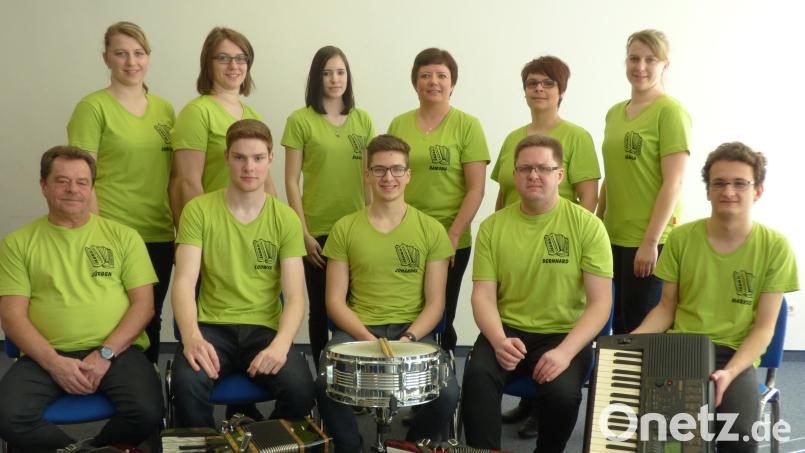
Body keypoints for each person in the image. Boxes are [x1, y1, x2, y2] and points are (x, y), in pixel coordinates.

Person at [633, 142, 798, 453]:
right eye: (719, 183)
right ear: (708, 191)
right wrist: (629, 343)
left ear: (758, 191)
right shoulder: (681, 238)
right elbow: (666, 308)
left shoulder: (775, 247)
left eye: (740, 183)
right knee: (664, 433)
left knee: (740, 433)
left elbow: (764, 329)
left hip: (734, 356)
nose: (729, 191)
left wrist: (729, 373)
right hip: (682, 349)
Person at [0, 147, 163, 451]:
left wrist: (104, 355)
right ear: (43, 186)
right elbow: (11, 316)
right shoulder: (17, 244)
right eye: (62, 181)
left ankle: (91, 448)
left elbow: (144, 306)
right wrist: (53, 363)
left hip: (116, 352)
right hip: (45, 353)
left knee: (147, 411)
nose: (73, 190)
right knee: (8, 415)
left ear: (91, 187)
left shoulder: (124, 237)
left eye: (82, 182)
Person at [462, 135, 612, 453]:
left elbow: (601, 304)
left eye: (544, 168)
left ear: (560, 174)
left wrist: (566, 352)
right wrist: (499, 339)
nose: (533, 175)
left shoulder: (588, 227)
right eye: (525, 168)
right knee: (477, 377)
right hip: (507, 330)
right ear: (514, 175)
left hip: (564, 334)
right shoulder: (492, 227)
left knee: (562, 394)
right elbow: (483, 296)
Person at [315, 134, 459, 453]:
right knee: (324, 382)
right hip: (357, 332)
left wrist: (407, 339)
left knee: (448, 393)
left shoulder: (431, 229)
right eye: (379, 170)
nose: (388, 178)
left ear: (408, 174)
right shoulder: (344, 227)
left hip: (412, 333)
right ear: (367, 174)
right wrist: (367, 338)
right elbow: (334, 301)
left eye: (396, 170)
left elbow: (436, 303)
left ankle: (406, 447)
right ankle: (351, 446)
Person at [170, 119, 314, 428]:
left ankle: (258, 441)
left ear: (270, 160)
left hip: (264, 330)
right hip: (212, 328)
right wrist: (191, 336)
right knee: (186, 385)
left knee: (302, 390)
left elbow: (294, 297)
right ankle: (208, 448)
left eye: (258, 158)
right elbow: (183, 282)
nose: (249, 167)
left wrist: (281, 345)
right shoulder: (199, 210)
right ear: (226, 158)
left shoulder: (285, 218)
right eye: (240, 157)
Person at [493, 55, 601, 437]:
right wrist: (498, 235)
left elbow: (589, 197)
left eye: (547, 83)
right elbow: (503, 195)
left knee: (548, 328)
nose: (539, 89)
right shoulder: (512, 138)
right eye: (532, 83)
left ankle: (542, 406)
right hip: (516, 241)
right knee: (520, 323)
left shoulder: (578, 137)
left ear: (561, 91)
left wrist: (571, 242)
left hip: (560, 243)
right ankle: (527, 402)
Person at [67, 21, 174, 364]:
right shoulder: (92, 107)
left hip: (157, 232)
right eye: (121, 53)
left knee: (151, 318)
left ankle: (147, 401)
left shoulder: (165, 110)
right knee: (114, 318)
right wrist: (99, 232)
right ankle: (106, 384)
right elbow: (82, 179)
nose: (131, 62)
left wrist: (179, 226)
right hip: (113, 232)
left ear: (148, 58)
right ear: (106, 58)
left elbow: (174, 177)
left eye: (139, 53)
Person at [387, 47, 489, 353]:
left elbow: (476, 189)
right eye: (426, 75)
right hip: (404, 233)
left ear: (452, 83)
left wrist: (453, 235)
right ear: (415, 82)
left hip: (450, 236)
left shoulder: (467, 125)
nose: (434, 81)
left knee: (442, 313)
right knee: (406, 309)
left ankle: (443, 377)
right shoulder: (399, 124)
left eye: (442, 75)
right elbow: (387, 179)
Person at [282, 45, 375, 366]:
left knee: (356, 307)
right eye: (327, 72)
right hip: (317, 231)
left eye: (340, 72)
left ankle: (355, 373)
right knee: (321, 308)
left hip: (356, 229)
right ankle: (324, 374)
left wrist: (374, 223)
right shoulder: (300, 121)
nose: (335, 79)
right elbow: (291, 180)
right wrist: (302, 233)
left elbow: (369, 179)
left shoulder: (362, 120)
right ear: (316, 78)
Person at [597, 29, 692, 334]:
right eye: (634, 58)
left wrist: (650, 242)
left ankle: (641, 385)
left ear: (665, 65)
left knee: (643, 331)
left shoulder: (671, 113)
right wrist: (596, 226)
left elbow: (673, 183)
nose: (641, 67)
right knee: (617, 325)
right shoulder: (614, 113)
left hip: (651, 240)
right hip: (613, 237)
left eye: (651, 60)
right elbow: (612, 177)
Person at [170, 26, 277, 228]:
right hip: (216, 226)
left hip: (254, 228)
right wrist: (205, 231)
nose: (233, 65)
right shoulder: (197, 112)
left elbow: (266, 181)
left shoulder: (254, 116)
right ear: (208, 64)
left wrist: (275, 225)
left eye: (241, 58)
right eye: (223, 58)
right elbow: (187, 183)